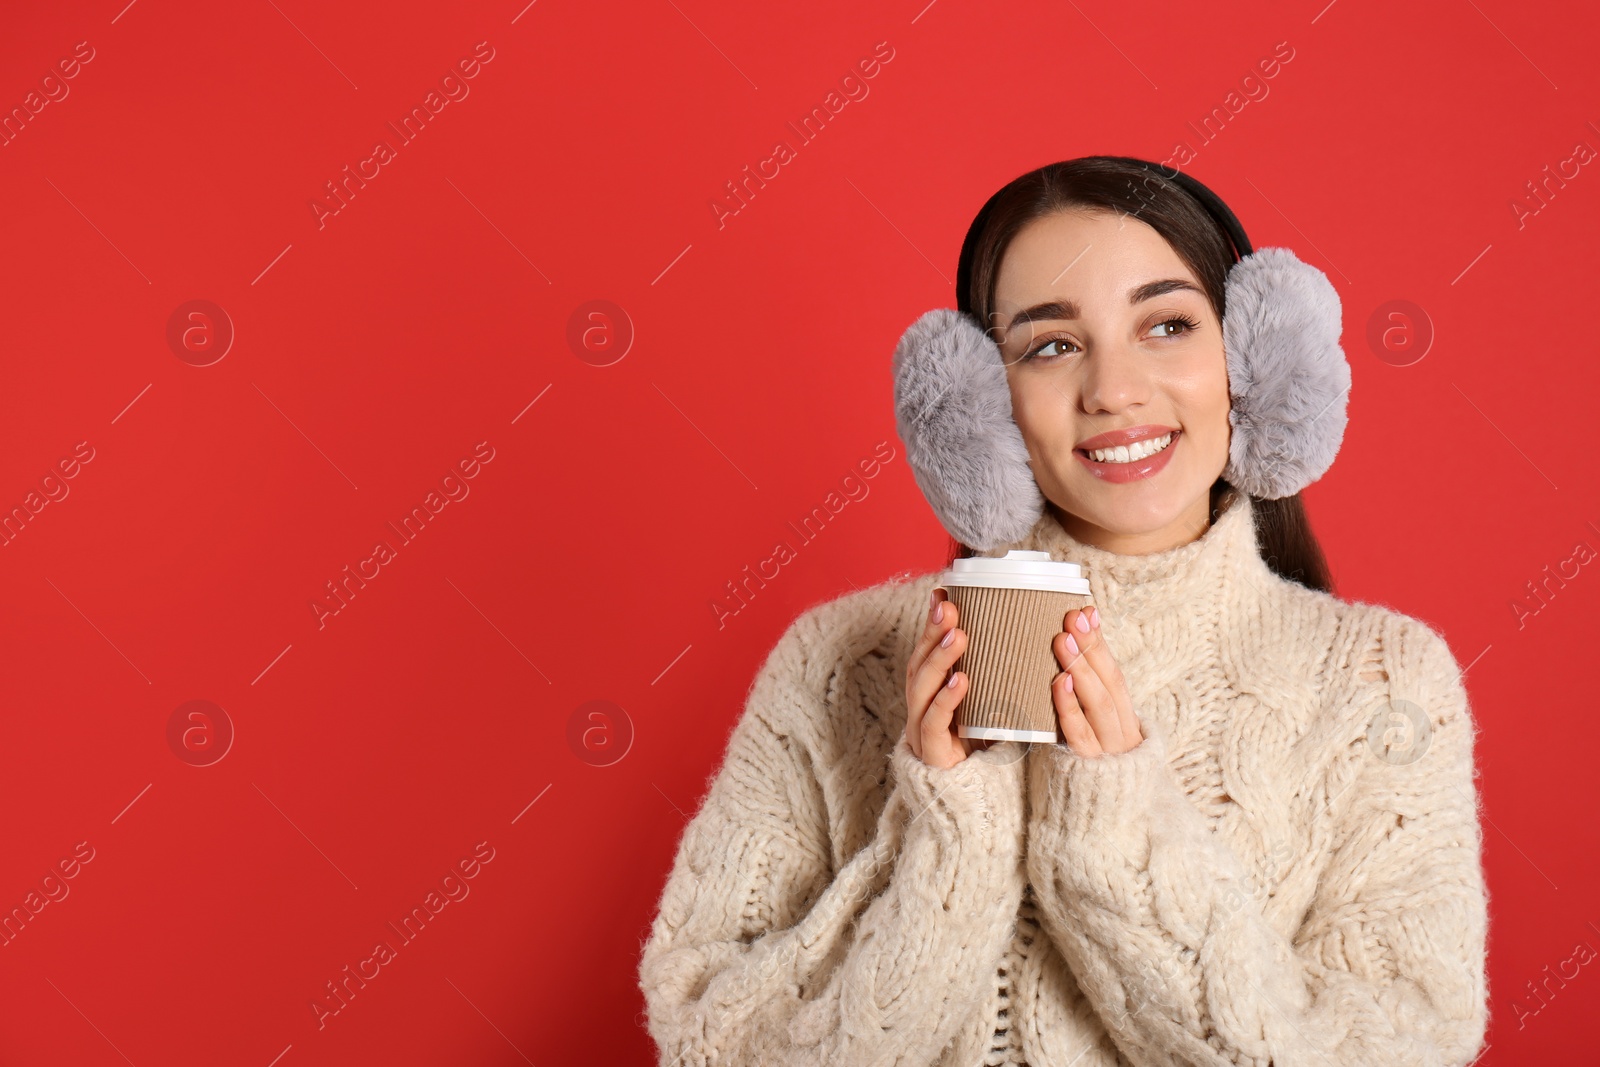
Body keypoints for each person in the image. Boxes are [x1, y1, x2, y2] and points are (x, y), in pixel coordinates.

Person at [637, 156, 1490, 1067]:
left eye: (1167, 324)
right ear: (976, 410)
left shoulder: (1385, 680)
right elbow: (709, 1043)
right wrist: (952, 836)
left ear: (1255, 367)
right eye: (1051, 345)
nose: (1114, 391)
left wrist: (1112, 825)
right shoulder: (842, 659)